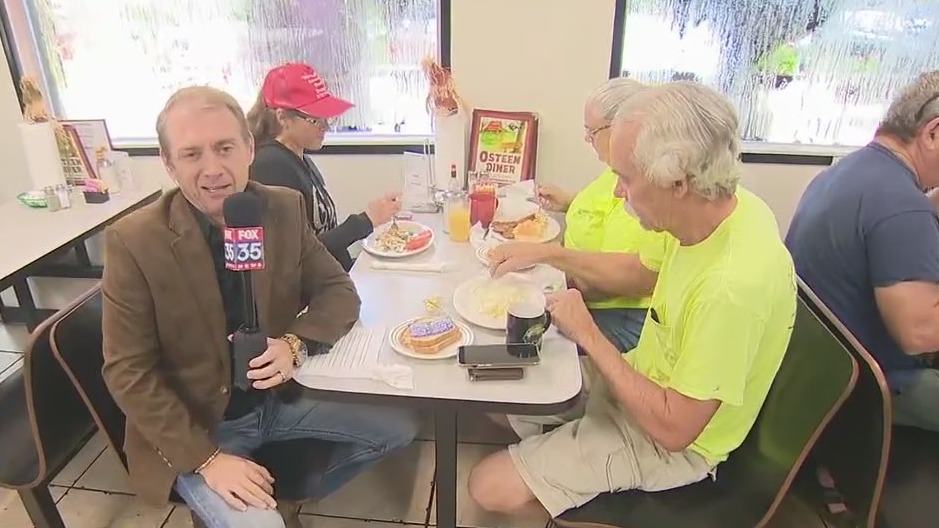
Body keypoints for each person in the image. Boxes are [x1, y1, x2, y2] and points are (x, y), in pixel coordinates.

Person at [468, 81, 796, 518]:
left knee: (487, 485)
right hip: (642, 380)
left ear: (677, 181)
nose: (617, 192)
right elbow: (638, 271)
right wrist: (548, 254)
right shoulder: (716, 211)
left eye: (625, 178)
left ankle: (576, 484)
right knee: (495, 393)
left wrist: (588, 333)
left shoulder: (732, 287)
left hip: (674, 443)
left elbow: (675, 430)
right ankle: (563, 455)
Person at [101, 86, 419, 528]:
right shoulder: (134, 241)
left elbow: (338, 291)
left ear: (249, 147)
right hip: (201, 426)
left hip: (278, 399)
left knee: (402, 426)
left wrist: (294, 344)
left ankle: (282, 496)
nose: (213, 169)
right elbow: (127, 371)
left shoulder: (283, 207)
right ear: (169, 164)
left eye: (225, 147)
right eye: (192, 154)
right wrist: (207, 460)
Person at [786, 70, 939, 432]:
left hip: (817, 377)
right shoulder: (902, 207)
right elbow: (919, 333)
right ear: (933, 133)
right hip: (875, 391)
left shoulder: (845, 173)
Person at [490, 78, 668, 353]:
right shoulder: (619, 171)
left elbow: (625, 278)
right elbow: (605, 210)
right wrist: (570, 202)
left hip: (615, 313)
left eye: (591, 131)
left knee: (520, 333)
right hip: (576, 285)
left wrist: (551, 260)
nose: (587, 139)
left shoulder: (644, 189)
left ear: (623, 127)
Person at [246, 62, 401, 271]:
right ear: (283, 118)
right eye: (315, 120)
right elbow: (297, 257)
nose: (325, 127)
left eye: (326, 118)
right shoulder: (270, 167)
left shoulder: (300, 158)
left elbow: (322, 236)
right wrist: (365, 221)